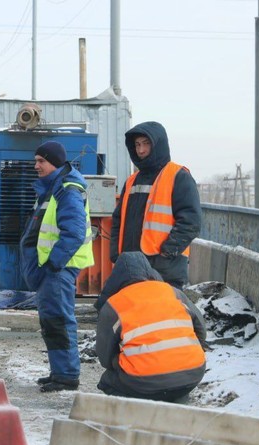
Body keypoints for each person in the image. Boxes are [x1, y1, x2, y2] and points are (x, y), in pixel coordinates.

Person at [20, 141, 94, 392]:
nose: (36, 166)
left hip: (58, 269)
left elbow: (72, 233)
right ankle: (60, 372)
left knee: (59, 321)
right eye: (36, 160)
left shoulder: (67, 189)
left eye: (41, 161)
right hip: (52, 269)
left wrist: (53, 263)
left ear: (55, 162)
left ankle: (67, 375)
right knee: (52, 321)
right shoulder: (53, 188)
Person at [94, 252, 207, 401]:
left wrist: (120, 359)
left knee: (108, 381)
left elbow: (105, 357)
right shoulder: (174, 292)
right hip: (193, 372)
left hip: (143, 381)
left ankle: (139, 414)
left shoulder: (114, 304)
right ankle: (177, 402)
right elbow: (201, 331)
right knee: (176, 383)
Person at [110, 121, 202, 289]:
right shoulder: (131, 181)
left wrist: (167, 252)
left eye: (146, 144)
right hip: (132, 266)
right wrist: (116, 254)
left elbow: (191, 221)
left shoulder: (178, 176)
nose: (141, 150)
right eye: (137, 145)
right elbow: (118, 220)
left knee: (164, 314)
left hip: (165, 269)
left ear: (157, 144)